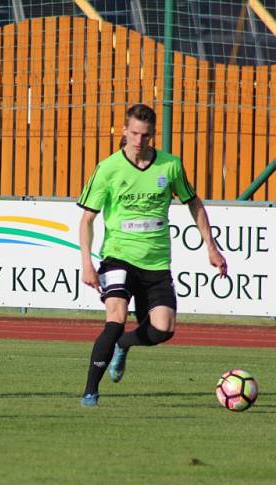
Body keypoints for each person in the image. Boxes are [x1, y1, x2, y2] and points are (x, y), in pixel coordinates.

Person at [77, 103, 227, 407]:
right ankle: (90, 391)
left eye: (145, 135)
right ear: (124, 130)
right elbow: (87, 220)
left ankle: (124, 344)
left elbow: (193, 203)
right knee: (115, 318)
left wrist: (211, 246)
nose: (138, 140)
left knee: (163, 329)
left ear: (152, 135)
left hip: (157, 262)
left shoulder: (169, 166)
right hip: (118, 256)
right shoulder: (108, 169)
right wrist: (87, 264)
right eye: (133, 133)